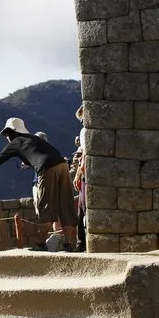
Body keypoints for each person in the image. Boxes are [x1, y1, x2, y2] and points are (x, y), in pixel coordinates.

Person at [0, 117, 79, 251]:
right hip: (62, 166)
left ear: (11, 132)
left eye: (7, 134)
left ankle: (40, 244)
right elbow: (42, 154)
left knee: (45, 206)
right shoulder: (35, 139)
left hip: (47, 169)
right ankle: (69, 243)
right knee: (65, 204)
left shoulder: (16, 142)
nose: (7, 138)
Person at [73, 105, 87, 252]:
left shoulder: (84, 132)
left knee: (83, 208)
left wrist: (78, 174)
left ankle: (81, 243)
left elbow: (84, 154)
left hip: (86, 173)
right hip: (86, 172)